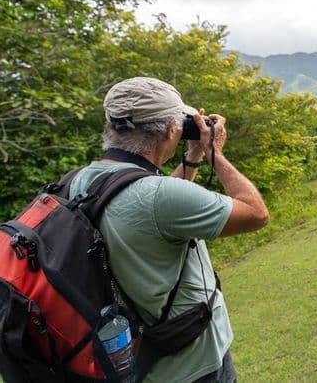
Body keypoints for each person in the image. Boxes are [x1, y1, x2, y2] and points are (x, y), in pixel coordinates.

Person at [69, 77, 269, 382]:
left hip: (135, 357)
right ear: (170, 130)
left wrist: (193, 156)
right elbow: (256, 214)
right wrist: (214, 151)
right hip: (192, 363)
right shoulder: (158, 196)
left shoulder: (83, 181)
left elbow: (155, 205)